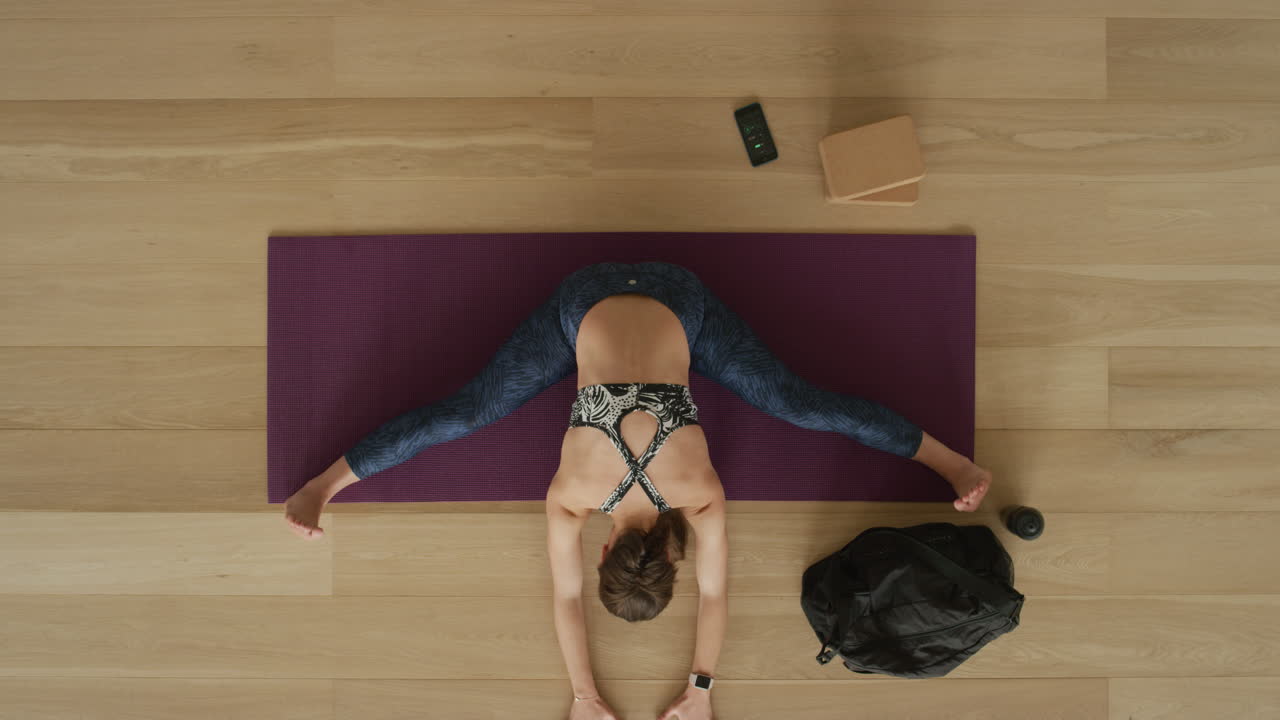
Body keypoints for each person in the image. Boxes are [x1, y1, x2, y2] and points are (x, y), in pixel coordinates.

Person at [284, 261, 992, 720]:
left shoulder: (701, 496)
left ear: (669, 556)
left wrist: (702, 690)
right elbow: (562, 600)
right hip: (591, 302)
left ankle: (955, 465)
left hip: (674, 301)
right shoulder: (571, 498)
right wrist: (586, 696)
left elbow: (716, 596)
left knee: (799, 405)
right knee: (469, 412)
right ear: (603, 554)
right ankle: (322, 487)